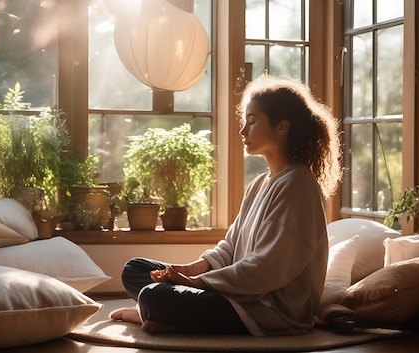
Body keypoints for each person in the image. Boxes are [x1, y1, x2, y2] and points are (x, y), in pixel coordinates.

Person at [110, 76, 343, 335]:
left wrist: (197, 283)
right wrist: (192, 268)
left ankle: (157, 312)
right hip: (236, 295)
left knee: (155, 295)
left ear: (282, 127)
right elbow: (230, 246)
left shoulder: (298, 184)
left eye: (252, 122)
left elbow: (266, 270)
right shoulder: (259, 184)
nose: (243, 131)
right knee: (135, 269)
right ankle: (163, 316)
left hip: (267, 310)